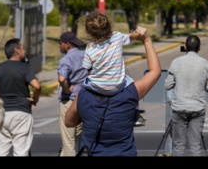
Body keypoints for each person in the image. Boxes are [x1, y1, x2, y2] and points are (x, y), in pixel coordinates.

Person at [65, 26, 160, 156]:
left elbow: (69, 122)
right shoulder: (131, 92)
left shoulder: (84, 95)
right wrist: (146, 40)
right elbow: (155, 72)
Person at [0, 38, 41, 156]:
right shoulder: (24, 68)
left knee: (0, 150)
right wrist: (35, 100)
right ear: (17, 51)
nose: (25, 51)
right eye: (23, 48)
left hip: (2, 113)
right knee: (21, 151)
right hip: (21, 113)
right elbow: (37, 86)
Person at [164, 35, 208, 156]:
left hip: (179, 107)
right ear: (200, 47)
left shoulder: (176, 62)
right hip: (198, 108)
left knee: (179, 145)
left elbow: (168, 85)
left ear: (185, 47)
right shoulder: (205, 64)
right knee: (195, 145)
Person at [82, 10, 143, 96]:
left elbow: (86, 67)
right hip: (118, 86)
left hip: (98, 87)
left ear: (88, 32)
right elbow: (131, 37)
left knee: (85, 83)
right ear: (108, 25)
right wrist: (137, 34)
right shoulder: (117, 36)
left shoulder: (90, 47)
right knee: (129, 81)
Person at [57, 31, 89, 156]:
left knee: (68, 141)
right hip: (83, 99)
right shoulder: (85, 55)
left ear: (67, 44)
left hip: (69, 101)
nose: (59, 46)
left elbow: (61, 79)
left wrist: (66, 90)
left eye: (60, 43)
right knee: (78, 137)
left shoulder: (66, 59)